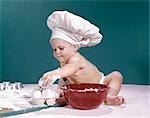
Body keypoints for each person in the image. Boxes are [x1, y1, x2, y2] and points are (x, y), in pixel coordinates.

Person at [39, 10, 125, 105]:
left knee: (116, 75)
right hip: (81, 90)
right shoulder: (64, 63)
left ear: (74, 47)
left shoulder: (76, 59)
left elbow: (71, 68)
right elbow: (65, 78)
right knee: (64, 86)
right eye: (54, 49)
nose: (57, 52)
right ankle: (64, 97)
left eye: (61, 48)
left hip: (100, 84)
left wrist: (55, 73)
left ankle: (109, 96)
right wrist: (59, 90)